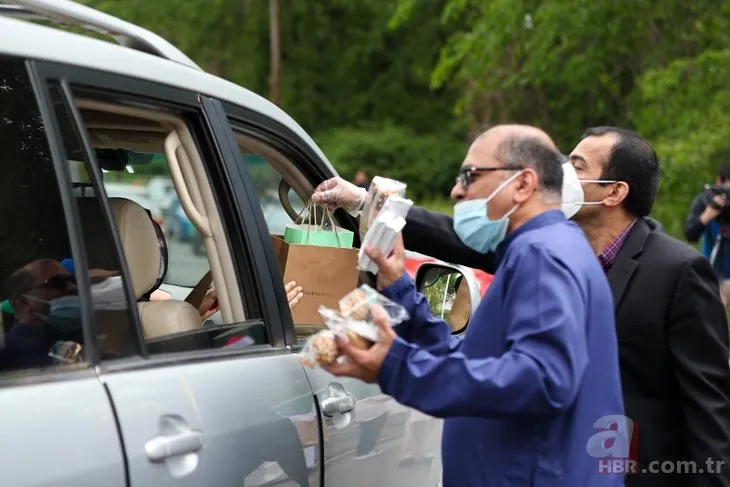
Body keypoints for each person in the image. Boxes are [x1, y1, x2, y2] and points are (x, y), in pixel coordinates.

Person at [325, 127, 626, 487]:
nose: (456, 190)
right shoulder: (547, 247)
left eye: (470, 175)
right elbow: (478, 363)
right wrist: (400, 287)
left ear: (523, 183)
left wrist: (399, 366)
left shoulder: (542, 255)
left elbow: (542, 380)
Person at [0, 258, 83, 371]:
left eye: (73, 280)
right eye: (57, 283)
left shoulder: (87, 335)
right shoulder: (6, 352)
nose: (73, 287)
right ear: (22, 302)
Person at [684, 162, 730, 306]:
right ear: (719, 182)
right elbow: (690, 234)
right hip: (712, 275)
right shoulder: (706, 200)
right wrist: (709, 213)